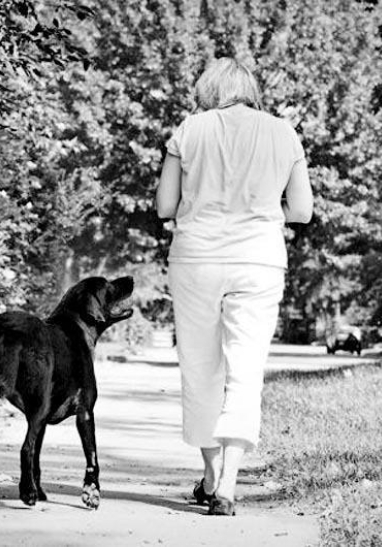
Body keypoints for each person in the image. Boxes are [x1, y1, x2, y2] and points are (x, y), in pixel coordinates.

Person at [155, 57, 313, 516]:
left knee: (201, 368)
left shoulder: (190, 129)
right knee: (245, 369)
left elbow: (166, 206)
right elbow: (301, 210)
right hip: (259, 259)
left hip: (197, 258)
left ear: (209, 91)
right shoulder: (283, 132)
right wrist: (259, 213)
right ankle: (227, 484)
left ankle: (208, 472)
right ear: (250, 90)